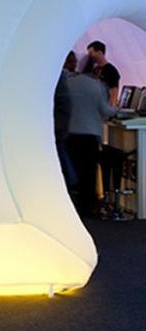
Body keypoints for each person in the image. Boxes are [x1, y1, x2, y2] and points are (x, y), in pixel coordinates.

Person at [66, 71, 118, 217]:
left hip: (70, 133)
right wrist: (116, 108)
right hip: (90, 134)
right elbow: (105, 111)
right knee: (88, 172)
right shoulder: (96, 86)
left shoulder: (68, 83)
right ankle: (88, 207)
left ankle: (73, 206)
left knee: (73, 170)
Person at [54, 51, 78, 191]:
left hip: (59, 124)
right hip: (63, 123)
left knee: (60, 152)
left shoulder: (60, 77)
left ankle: (70, 180)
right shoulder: (64, 78)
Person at [86, 40, 120, 105]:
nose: (90, 56)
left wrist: (109, 108)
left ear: (99, 53)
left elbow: (114, 93)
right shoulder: (94, 69)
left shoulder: (111, 70)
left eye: (91, 53)